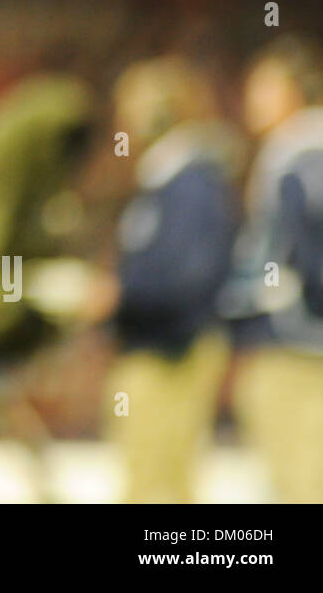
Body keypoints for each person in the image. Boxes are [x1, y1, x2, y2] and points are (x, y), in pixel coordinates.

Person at [102, 56, 243, 503]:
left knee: (154, 484)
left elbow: (186, 278)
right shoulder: (173, 178)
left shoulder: (189, 182)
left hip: (170, 352)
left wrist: (118, 295)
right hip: (162, 348)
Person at [221, 36, 323, 502]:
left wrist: (286, 305)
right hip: (291, 338)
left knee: (299, 477)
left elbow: (299, 253)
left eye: (265, 87)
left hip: (297, 344)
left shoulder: (303, 155)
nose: (252, 99)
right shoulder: (292, 153)